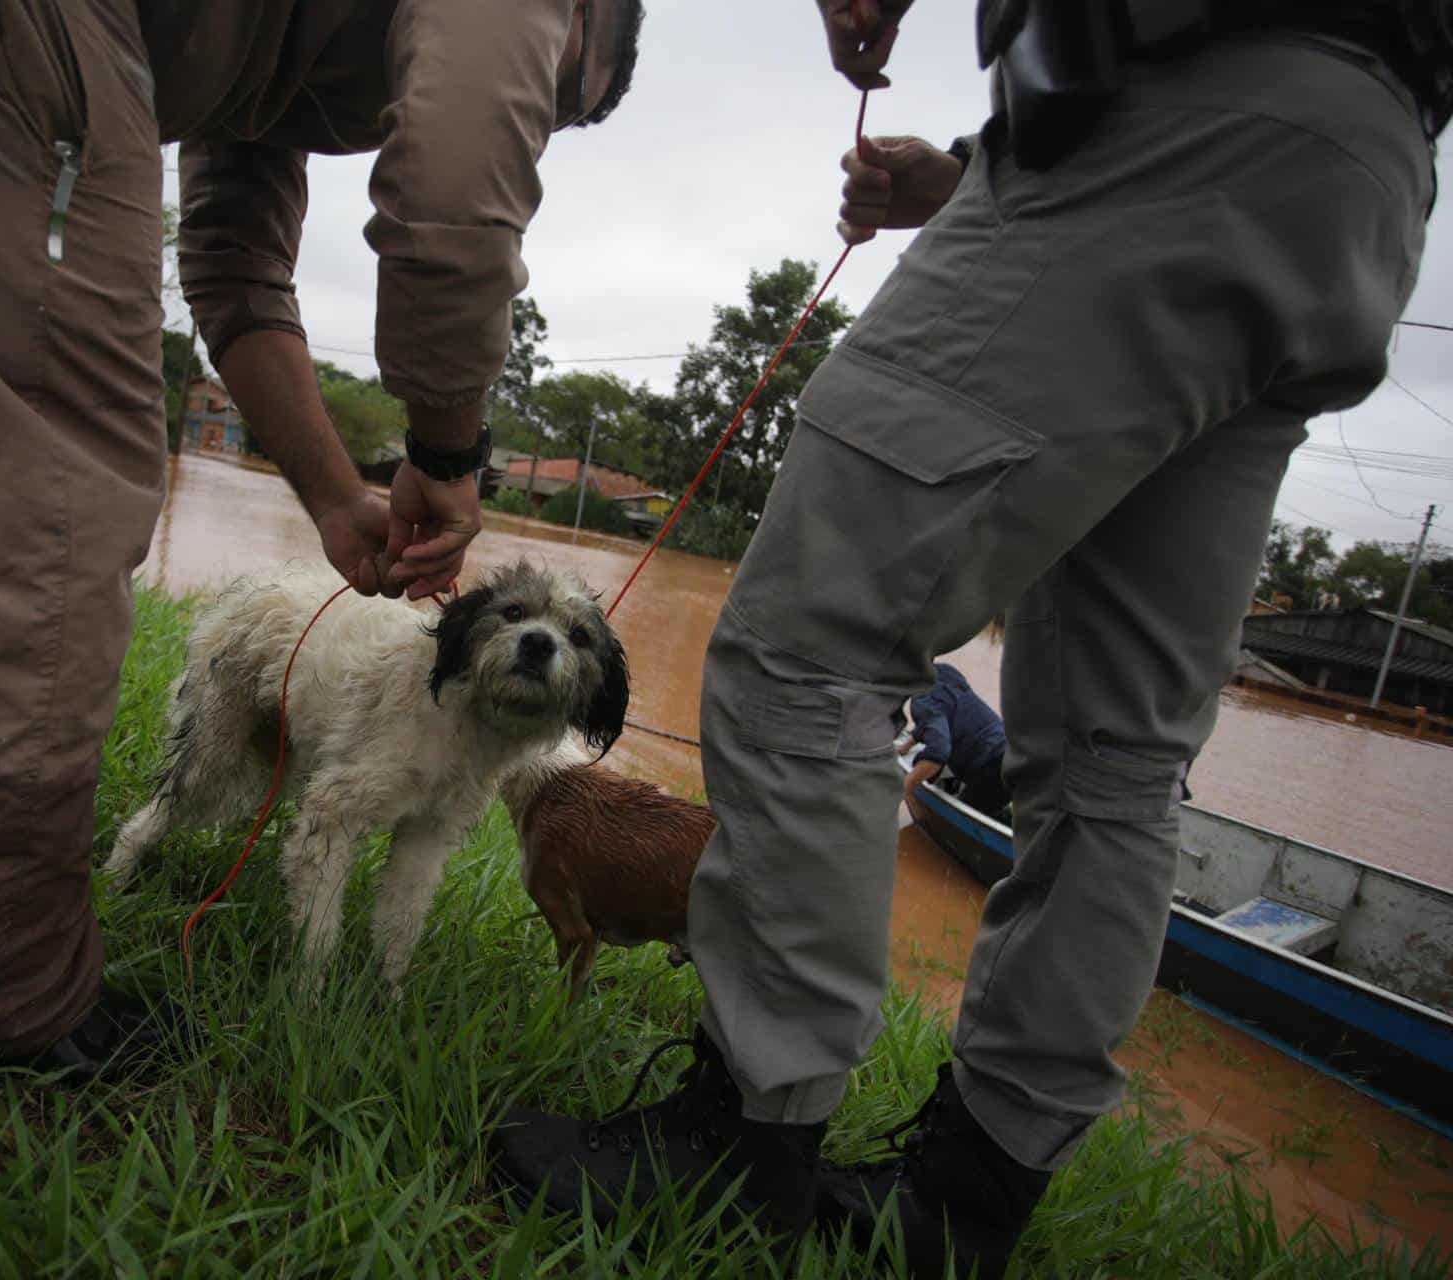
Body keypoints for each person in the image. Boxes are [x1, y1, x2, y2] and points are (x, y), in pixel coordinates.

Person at [491, 1, 1446, 1274]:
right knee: (1116, 763)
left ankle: (747, 1133)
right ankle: (968, 1194)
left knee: (804, 650)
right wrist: (976, 173)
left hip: (1161, 116)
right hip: (1360, 174)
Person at [0, 0, 643, 1079]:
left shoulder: (273, 47)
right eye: (557, 101)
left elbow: (235, 259)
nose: (532, 115)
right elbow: (453, 184)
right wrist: (447, 437)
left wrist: (341, 496)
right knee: (49, 471)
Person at [904, 662, 1009, 821]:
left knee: (958, 819)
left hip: (991, 766)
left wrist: (905, 786)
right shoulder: (945, 671)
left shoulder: (921, 701)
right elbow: (938, 714)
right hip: (1014, 750)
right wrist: (907, 745)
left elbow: (939, 752)